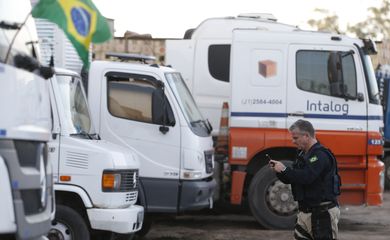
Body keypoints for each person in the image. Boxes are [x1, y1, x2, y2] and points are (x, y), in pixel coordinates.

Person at [269, 119, 341, 240]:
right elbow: (294, 178)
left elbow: (307, 177)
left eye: (296, 138)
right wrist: (280, 171)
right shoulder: (303, 155)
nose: (293, 141)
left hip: (322, 214)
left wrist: (284, 170)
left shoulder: (320, 155)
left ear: (306, 136)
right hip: (305, 213)